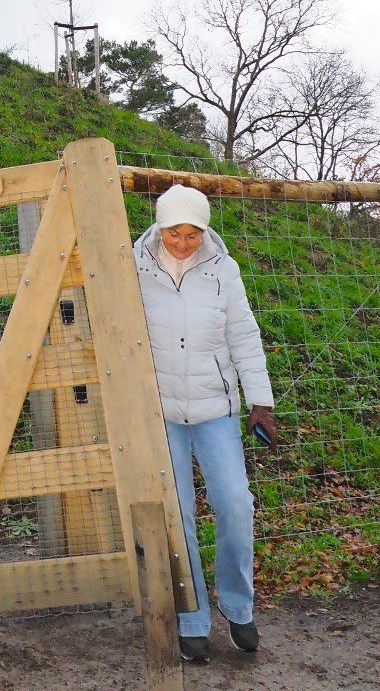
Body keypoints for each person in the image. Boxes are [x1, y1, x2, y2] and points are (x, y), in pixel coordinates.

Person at [133, 182, 277, 664]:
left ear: (204, 231)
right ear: (159, 227)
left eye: (192, 234)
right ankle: (191, 617)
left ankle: (238, 608)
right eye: (173, 232)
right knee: (178, 515)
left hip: (216, 408)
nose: (182, 243)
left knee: (236, 504)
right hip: (161, 412)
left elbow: (244, 334)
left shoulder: (223, 270)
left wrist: (261, 402)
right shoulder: (134, 267)